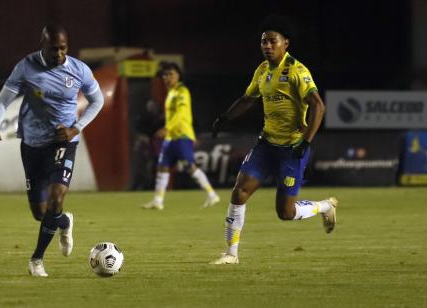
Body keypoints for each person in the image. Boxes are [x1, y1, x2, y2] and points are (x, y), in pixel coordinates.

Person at [209, 16, 338, 265]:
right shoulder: (262, 70)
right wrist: (225, 118)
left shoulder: (297, 71)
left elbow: (318, 106)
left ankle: (325, 206)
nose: (267, 46)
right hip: (266, 145)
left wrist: (306, 141)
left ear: (285, 43)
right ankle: (231, 254)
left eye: (272, 41)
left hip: (292, 148)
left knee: (285, 213)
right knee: (239, 193)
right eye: (263, 42)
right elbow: (248, 99)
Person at [0, 24, 104, 276]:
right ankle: (64, 221)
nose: (59, 54)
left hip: (63, 141)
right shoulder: (26, 67)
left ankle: (36, 260)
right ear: (42, 45)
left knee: (56, 196)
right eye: (54, 49)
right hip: (32, 144)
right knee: (41, 213)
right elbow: (2, 101)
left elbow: (98, 100)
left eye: (63, 48)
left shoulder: (79, 69)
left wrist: (76, 128)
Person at [142, 62, 220, 210]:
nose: (167, 77)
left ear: (178, 75)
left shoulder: (182, 91)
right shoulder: (171, 93)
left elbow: (180, 114)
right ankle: (158, 201)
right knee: (162, 166)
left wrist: (167, 128)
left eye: (171, 74)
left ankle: (212, 194)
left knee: (189, 166)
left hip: (182, 135)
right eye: (165, 75)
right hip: (171, 137)